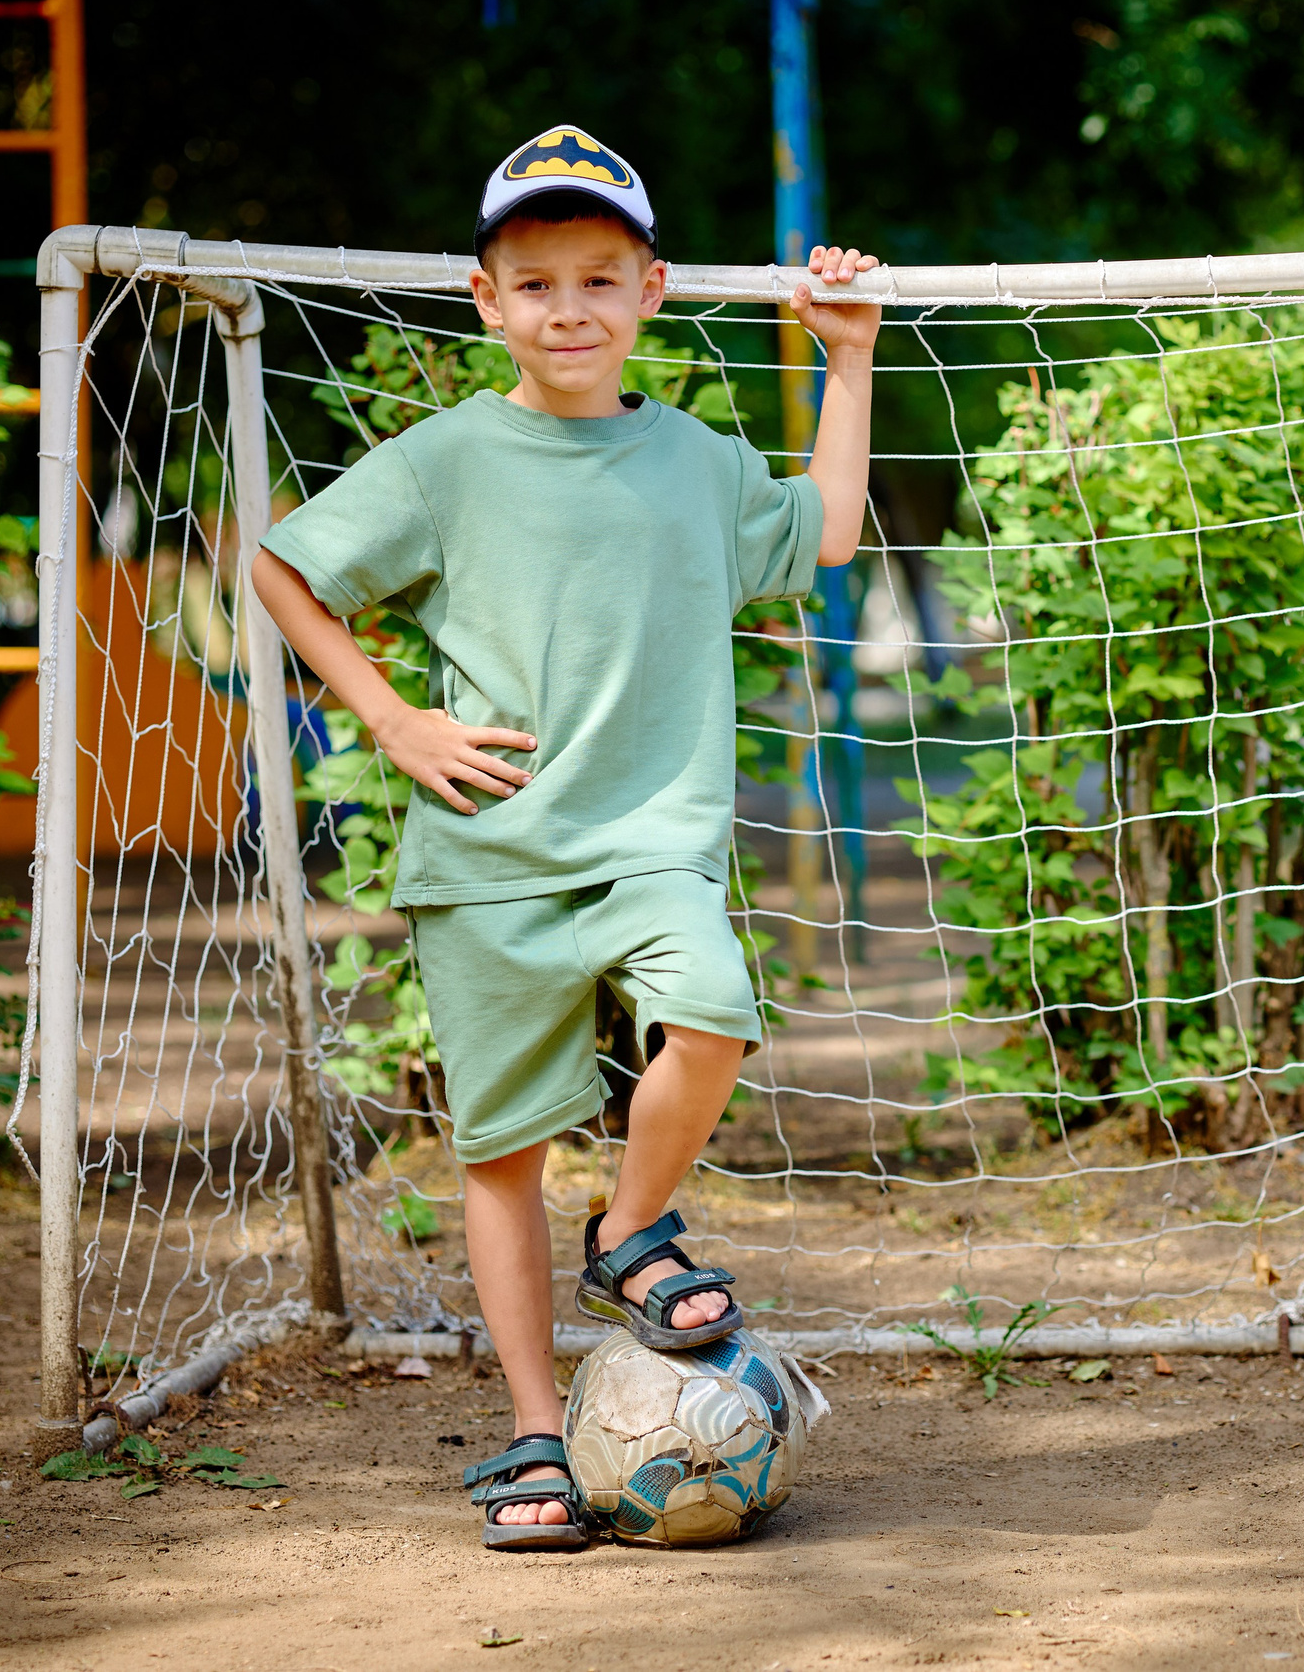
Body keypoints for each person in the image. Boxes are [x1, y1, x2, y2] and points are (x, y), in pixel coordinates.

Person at [251, 124, 876, 1552]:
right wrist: (396, 720)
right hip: (489, 852)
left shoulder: (700, 463)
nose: (571, 308)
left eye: (601, 278)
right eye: (537, 285)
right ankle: (538, 1433)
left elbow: (828, 532)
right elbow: (284, 567)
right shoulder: (448, 460)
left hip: (653, 839)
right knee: (501, 1154)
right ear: (486, 302)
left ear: (652, 291)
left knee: (713, 1008)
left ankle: (633, 1234)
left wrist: (845, 358)